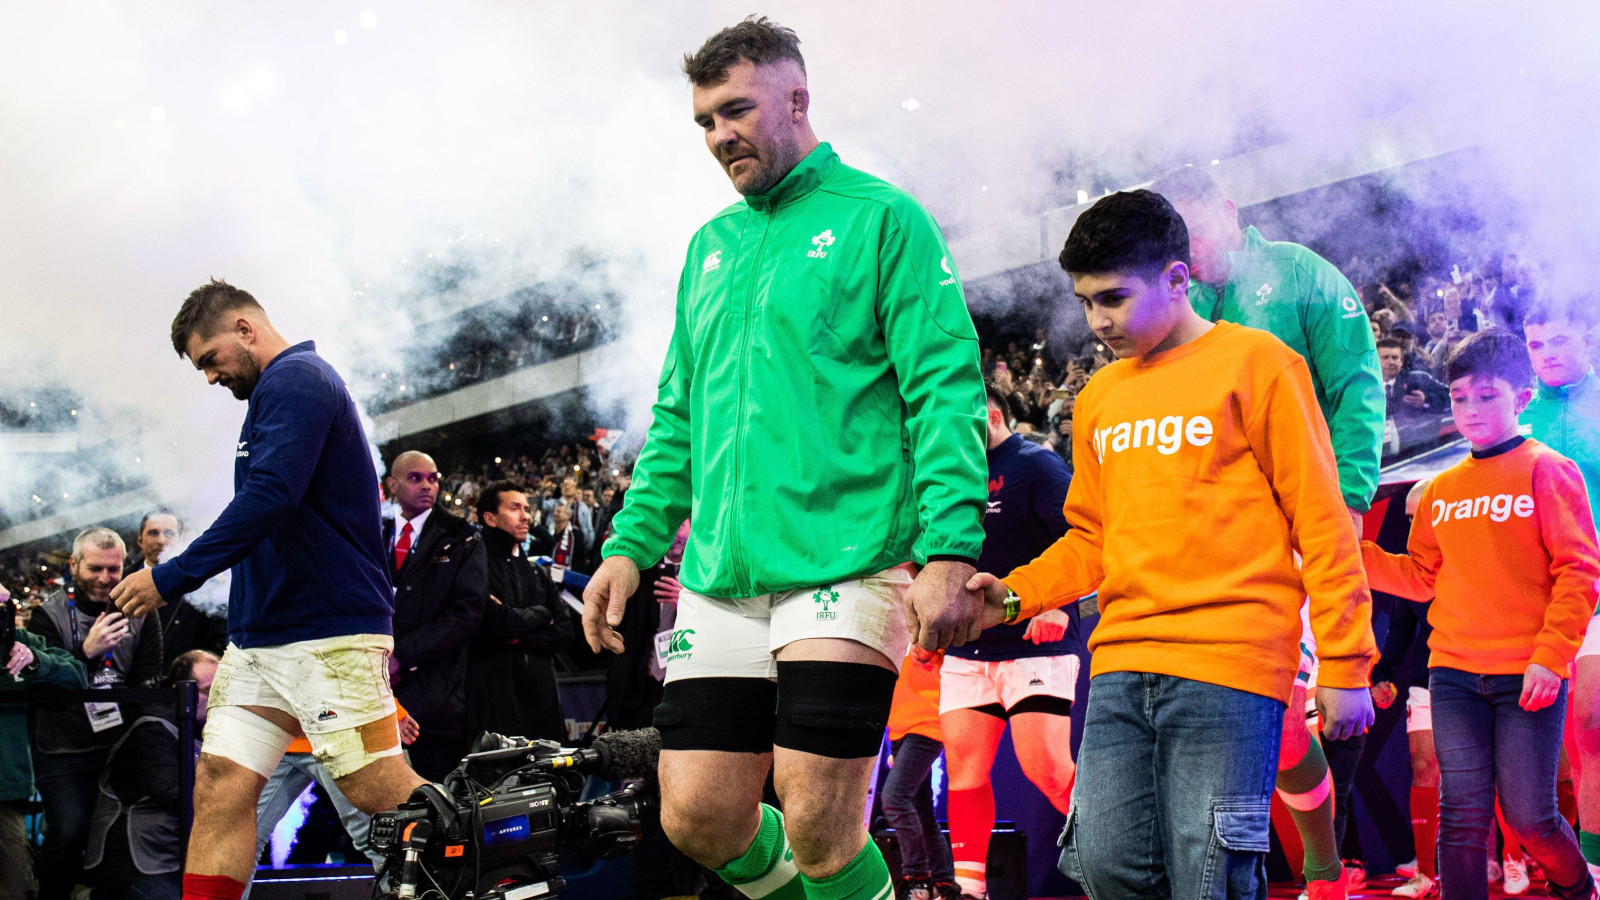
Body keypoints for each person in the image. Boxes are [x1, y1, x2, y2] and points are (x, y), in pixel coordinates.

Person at [582, 17, 988, 900]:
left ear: (796, 99)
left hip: (846, 561)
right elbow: (678, 413)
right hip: (722, 574)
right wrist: (629, 544)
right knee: (696, 816)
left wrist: (951, 548)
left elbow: (945, 390)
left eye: (735, 110)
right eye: (703, 121)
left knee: (816, 822)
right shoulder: (710, 247)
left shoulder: (884, 218)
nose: (718, 135)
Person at [965, 190, 1377, 900]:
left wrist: (1346, 661)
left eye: (1114, 299)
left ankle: (1325, 868)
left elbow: (1322, 519)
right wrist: (1011, 595)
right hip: (1123, 661)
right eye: (1086, 302)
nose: (1098, 322)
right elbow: (1092, 536)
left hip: (1233, 661)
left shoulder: (1261, 363)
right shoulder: (1099, 397)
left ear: (1179, 279)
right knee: (1102, 863)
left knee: (1209, 877)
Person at [108, 279, 427, 900]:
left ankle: (486, 873)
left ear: (245, 329)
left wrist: (170, 576)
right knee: (222, 780)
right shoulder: (275, 394)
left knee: (376, 790)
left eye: (209, 360)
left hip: (326, 629)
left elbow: (270, 497)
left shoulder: (298, 379)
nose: (208, 377)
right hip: (264, 638)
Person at [1155, 163, 1384, 895]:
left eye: (1194, 225)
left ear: (1225, 209)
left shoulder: (1297, 274)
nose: (1188, 245)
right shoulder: (1177, 309)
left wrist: (1347, 499)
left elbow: (1356, 384)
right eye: (1175, 235)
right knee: (1244, 724)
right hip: (1215, 540)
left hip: (1303, 528)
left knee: (1282, 718)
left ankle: (1322, 869)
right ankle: (1269, 871)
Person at [1362, 327, 1600, 900]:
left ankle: (1578, 888)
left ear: (1521, 398)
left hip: (1528, 676)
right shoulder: (1440, 489)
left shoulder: (1549, 470)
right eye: (1459, 396)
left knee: (1531, 818)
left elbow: (1579, 572)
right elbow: (1420, 578)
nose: (1469, 409)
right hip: (1453, 675)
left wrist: (1551, 657)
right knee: (1461, 817)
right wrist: (1353, 554)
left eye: (1486, 395)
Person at [941, 387, 1077, 900]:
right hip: (970, 647)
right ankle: (969, 890)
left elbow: (1082, 537)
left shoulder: (1036, 465)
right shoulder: (951, 472)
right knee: (965, 775)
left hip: (1036, 641)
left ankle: (1122, 868)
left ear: (993, 416)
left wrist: (1058, 604)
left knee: (1047, 769)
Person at [31, 527, 166, 900]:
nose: (106, 579)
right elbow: (43, 691)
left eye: (114, 569)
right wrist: (86, 652)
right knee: (70, 832)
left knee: (118, 838)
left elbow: (149, 678)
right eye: (95, 569)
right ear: (74, 564)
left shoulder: (140, 611)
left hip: (120, 746)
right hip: (63, 748)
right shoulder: (48, 615)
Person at [1518, 303, 1600, 881]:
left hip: (1595, 592)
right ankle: (1576, 869)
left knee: (1592, 727)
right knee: (1563, 755)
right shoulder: (1517, 417)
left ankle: (1592, 872)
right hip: (1535, 599)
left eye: (1559, 339)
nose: (1546, 352)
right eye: (1535, 343)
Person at [383, 450, 488, 780]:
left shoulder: (462, 536)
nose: (427, 485)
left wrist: (403, 655)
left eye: (433, 478)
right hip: (372, 693)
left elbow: (467, 612)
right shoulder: (369, 531)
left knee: (432, 800)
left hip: (434, 695)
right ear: (393, 485)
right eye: (415, 478)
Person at [83, 651, 218, 900]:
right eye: (209, 691)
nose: (216, 701)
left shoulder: (199, 730)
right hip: (134, 861)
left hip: (169, 855)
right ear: (181, 690)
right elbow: (181, 797)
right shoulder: (151, 731)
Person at [1368, 480, 1441, 899]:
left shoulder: (1474, 560)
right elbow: (1400, 629)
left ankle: (1505, 860)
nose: (1414, 528)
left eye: (1423, 518)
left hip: (1480, 674)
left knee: (1481, 778)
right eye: (1410, 520)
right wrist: (1384, 676)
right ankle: (1427, 873)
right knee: (1422, 765)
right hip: (1425, 681)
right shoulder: (1410, 567)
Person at [467, 480, 574, 744]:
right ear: (490, 518)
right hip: (493, 703)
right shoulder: (473, 567)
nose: (526, 515)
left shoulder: (536, 572)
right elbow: (492, 623)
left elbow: (564, 632)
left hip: (541, 704)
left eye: (526, 508)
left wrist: (515, 636)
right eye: (515, 508)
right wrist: (540, 615)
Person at [0, 581, 89, 900]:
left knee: (11, 887)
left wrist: (35, 660)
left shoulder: (17, 641)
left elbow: (77, 675)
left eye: (3, 607)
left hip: (5, 790)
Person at [883, 647, 956, 900]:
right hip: (901, 729)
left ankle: (917, 878)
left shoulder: (930, 623)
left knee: (894, 799)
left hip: (927, 725)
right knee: (924, 814)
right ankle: (944, 883)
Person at [128, 509, 229, 668]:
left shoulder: (203, 583)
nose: (161, 540)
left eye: (169, 533)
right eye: (153, 533)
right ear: (140, 539)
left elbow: (217, 640)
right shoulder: (122, 580)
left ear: (181, 538)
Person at [1380, 338, 1450, 419]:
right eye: (1385, 358)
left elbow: (1450, 396)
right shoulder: (1366, 388)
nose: (1391, 362)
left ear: (1401, 360)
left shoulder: (1419, 379)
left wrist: (1426, 399)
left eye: (1395, 357)